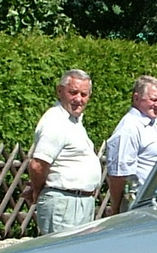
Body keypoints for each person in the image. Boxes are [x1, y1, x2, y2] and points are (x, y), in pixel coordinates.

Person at [25, 69, 102, 234]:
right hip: (64, 203)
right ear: (60, 91)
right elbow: (38, 164)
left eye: (84, 94)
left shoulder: (73, 121)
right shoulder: (55, 121)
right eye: (73, 92)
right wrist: (38, 190)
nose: (78, 99)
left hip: (79, 201)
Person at [105, 75, 157, 213]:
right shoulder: (129, 128)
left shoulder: (152, 126)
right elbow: (118, 174)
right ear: (136, 98)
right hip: (139, 206)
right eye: (153, 99)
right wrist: (115, 208)